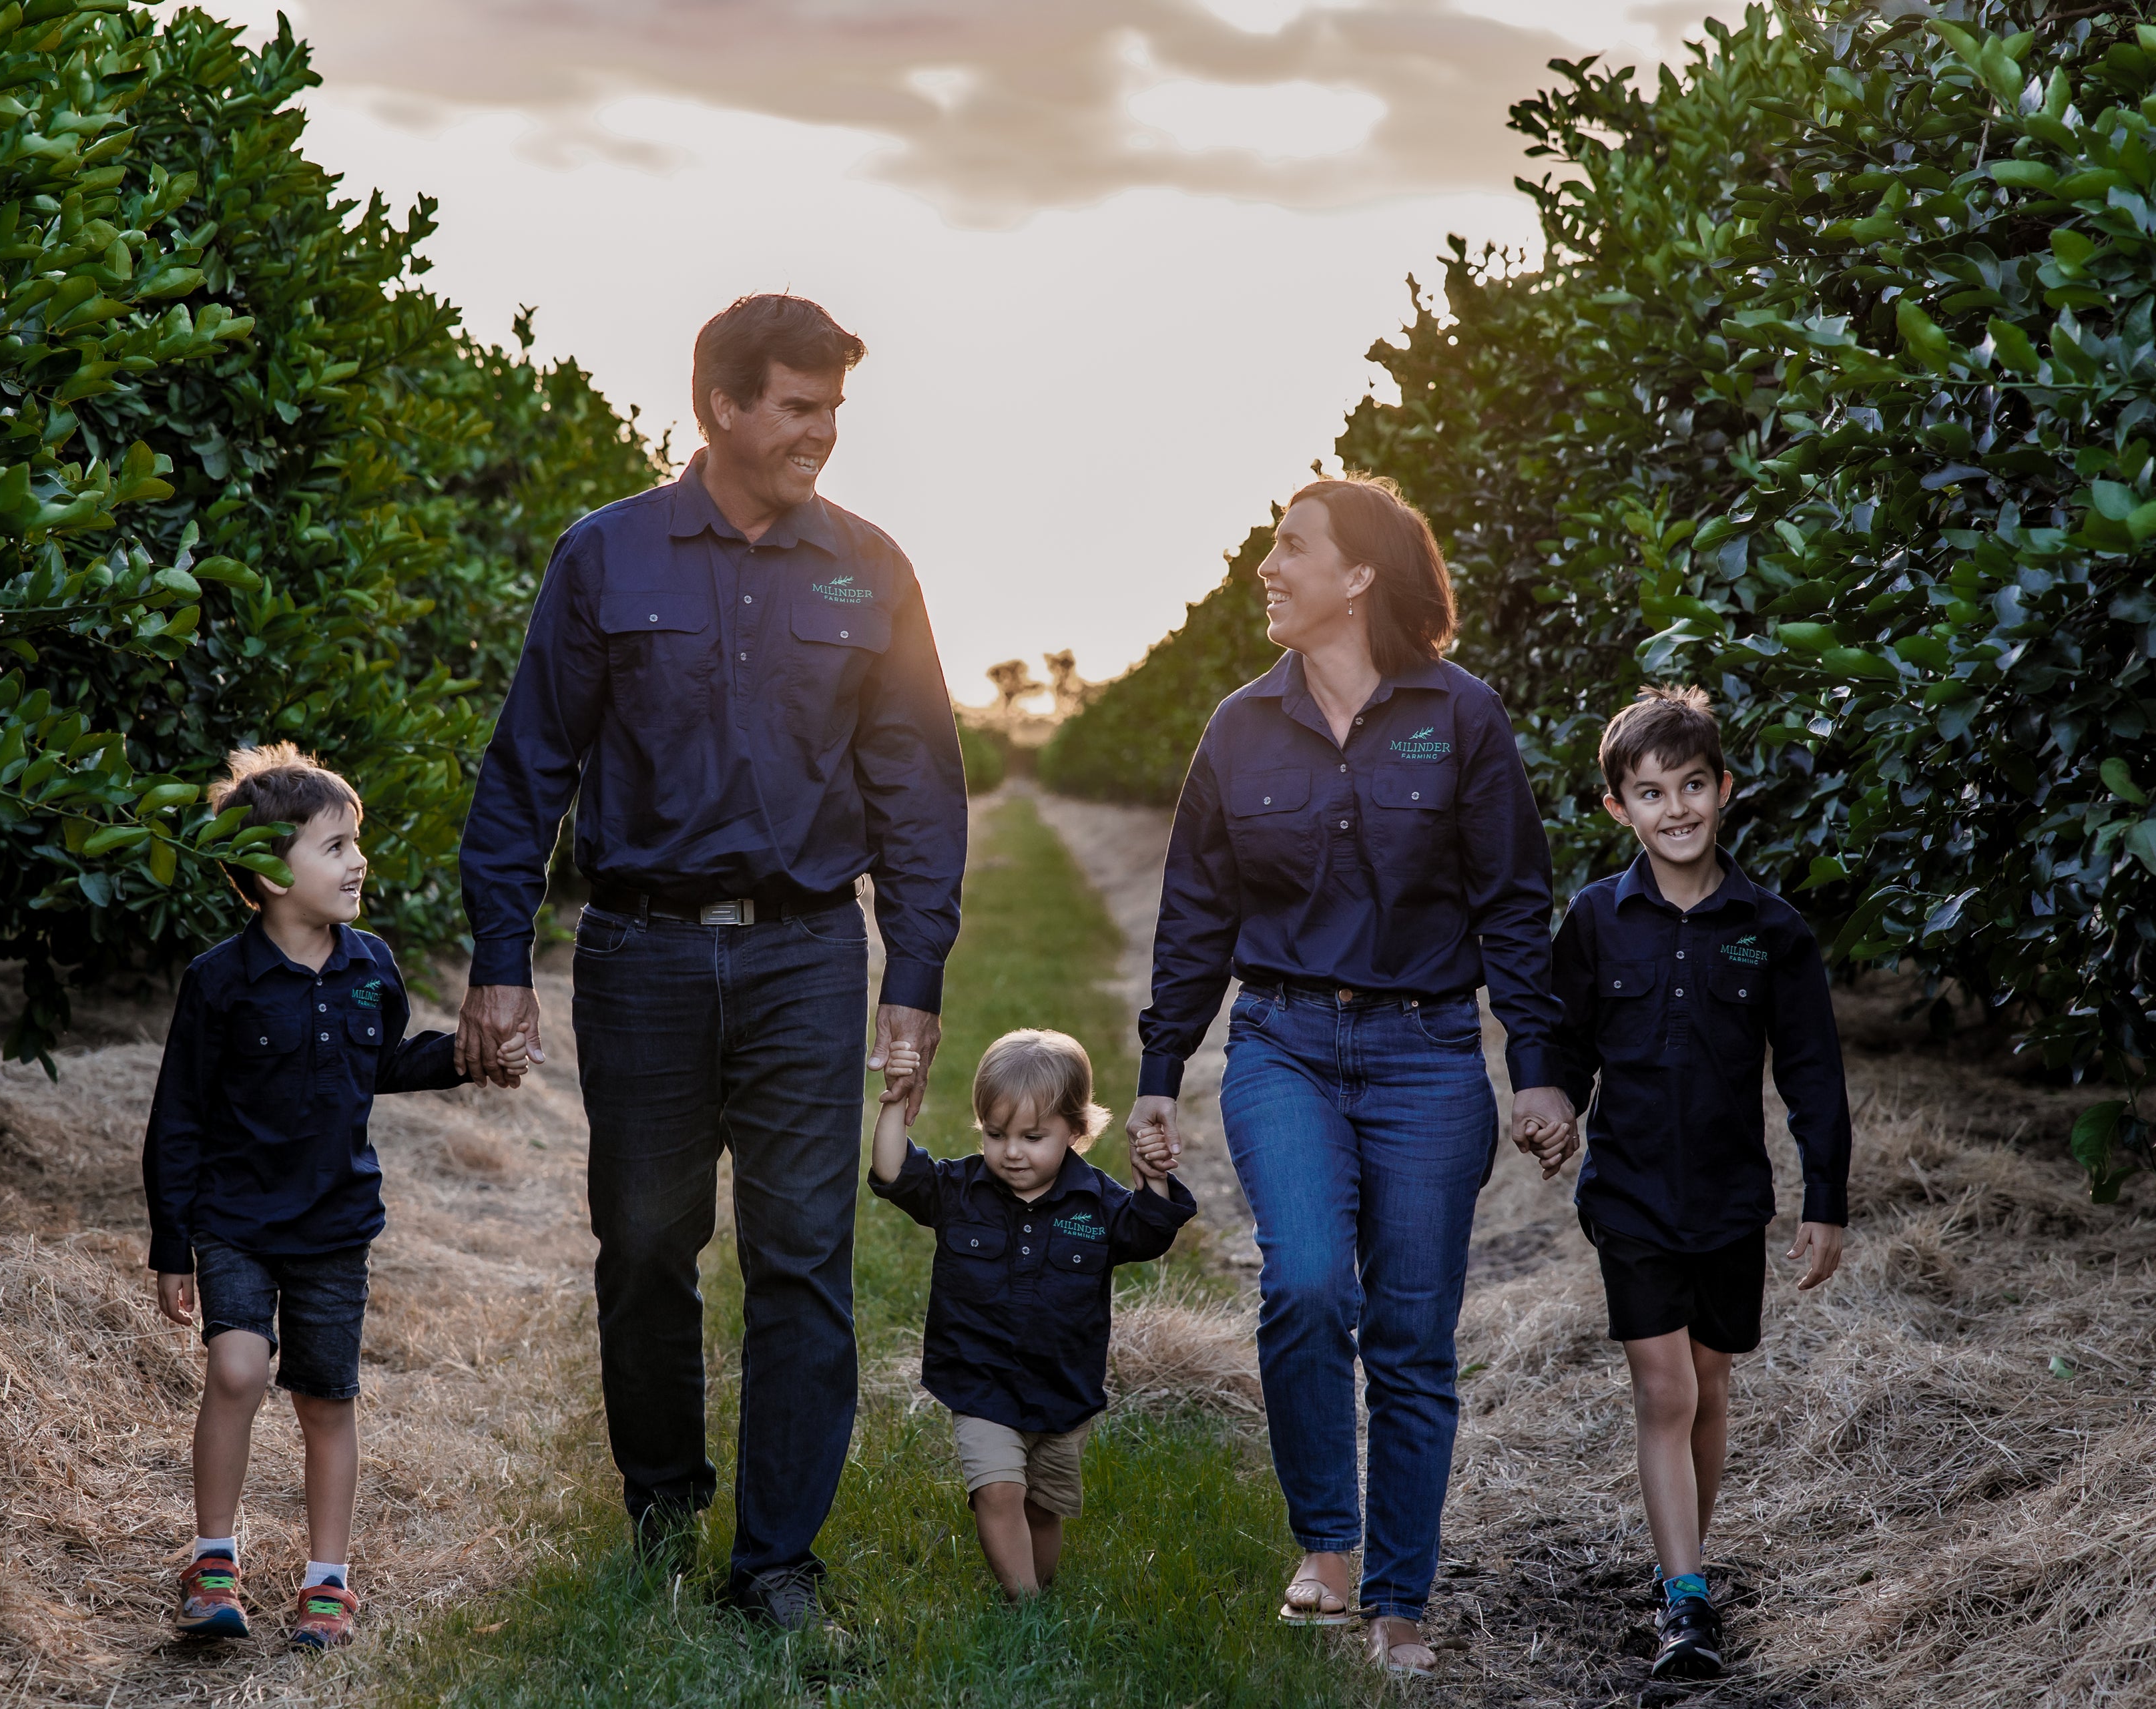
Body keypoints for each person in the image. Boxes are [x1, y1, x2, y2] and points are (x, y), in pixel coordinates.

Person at [453, 294, 968, 1629]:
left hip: (807, 954)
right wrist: (499, 956)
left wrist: (913, 974)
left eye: (836, 410)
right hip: (639, 954)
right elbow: (528, 767)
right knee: (643, 1243)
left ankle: (777, 1561)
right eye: (801, 407)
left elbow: (919, 786)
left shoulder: (872, 568)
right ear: (724, 406)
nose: (824, 433)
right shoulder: (605, 556)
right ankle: (665, 1500)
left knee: (805, 1253)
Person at [1125, 475, 1573, 1680]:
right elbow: (1194, 916)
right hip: (1279, 1046)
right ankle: (1325, 1546)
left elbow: (1514, 906)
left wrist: (1537, 1069)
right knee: (1310, 1285)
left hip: (1428, 1055)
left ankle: (1399, 1606)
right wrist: (1161, 1068)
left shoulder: (1463, 718)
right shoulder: (1237, 728)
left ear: (1359, 574)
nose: (1266, 570)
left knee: (1416, 1341)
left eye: (1289, 550)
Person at [143, 746, 521, 1650]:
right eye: (336, 845)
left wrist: (468, 1058)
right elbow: (178, 1117)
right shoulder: (220, 982)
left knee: (325, 1400)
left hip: (334, 1224)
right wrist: (171, 1244)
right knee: (236, 1371)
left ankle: (327, 1582)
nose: (359, 862)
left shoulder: (371, 968)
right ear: (273, 873)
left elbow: (382, 1063)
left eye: (358, 843)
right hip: (234, 1218)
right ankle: (213, 1564)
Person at [1544, 684, 1850, 1681]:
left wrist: (1827, 1199)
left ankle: (1687, 1568)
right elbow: (1566, 1039)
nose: (1673, 809)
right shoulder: (1596, 920)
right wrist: (1551, 1107)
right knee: (1665, 1387)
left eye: (1690, 787)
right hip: (1629, 1192)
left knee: (1713, 1384)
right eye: (1648, 793)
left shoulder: (1772, 929)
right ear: (1616, 809)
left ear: (1726, 790)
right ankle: (1686, 1604)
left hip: (1728, 1198)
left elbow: (1811, 1072)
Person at [866, 1030, 1195, 1598]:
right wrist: (895, 1100)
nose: (1011, 1152)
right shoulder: (961, 1191)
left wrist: (1155, 1175)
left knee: (1044, 1509)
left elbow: (1150, 1232)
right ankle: (1027, 1608)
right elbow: (896, 1173)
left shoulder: (1097, 1204)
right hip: (981, 1383)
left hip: (1062, 1393)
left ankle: (1037, 1593)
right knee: (998, 1493)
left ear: (1077, 1131)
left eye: (1032, 1137)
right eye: (996, 1135)